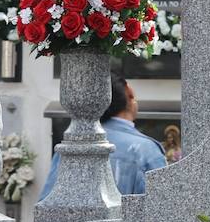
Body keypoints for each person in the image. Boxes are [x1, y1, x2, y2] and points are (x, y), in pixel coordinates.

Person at [38, 73, 166, 202]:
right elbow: (161, 208)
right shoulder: (146, 150)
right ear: (129, 92)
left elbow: (46, 203)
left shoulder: (68, 146)